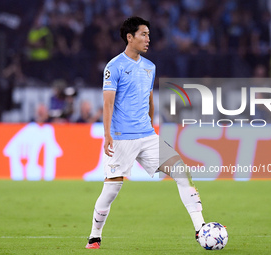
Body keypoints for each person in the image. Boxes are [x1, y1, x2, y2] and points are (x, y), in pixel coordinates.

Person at [85, 16, 206, 249]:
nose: (148, 39)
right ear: (129, 37)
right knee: (111, 190)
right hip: (121, 138)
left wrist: (151, 127)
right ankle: (94, 235)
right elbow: (108, 103)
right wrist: (107, 134)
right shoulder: (114, 66)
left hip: (147, 136)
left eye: (149, 34)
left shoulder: (150, 66)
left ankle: (200, 228)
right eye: (143, 34)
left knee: (182, 172)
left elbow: (149, 100)